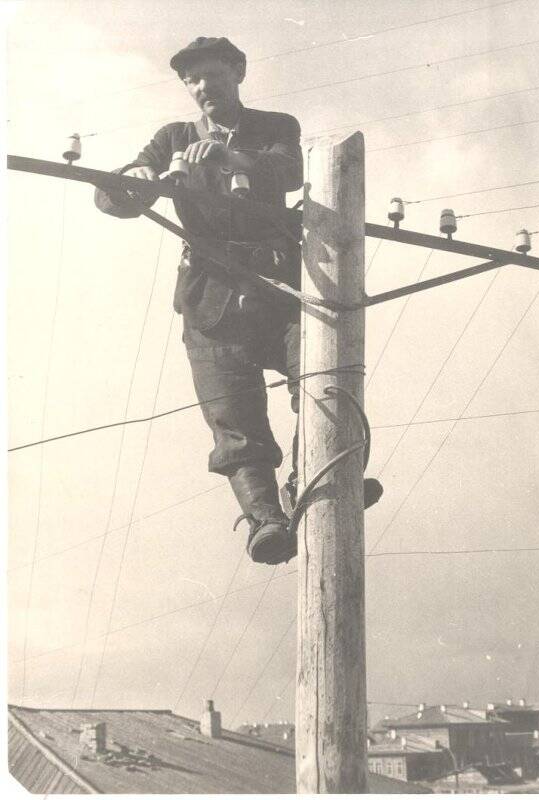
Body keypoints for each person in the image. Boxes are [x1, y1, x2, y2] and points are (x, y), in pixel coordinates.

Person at [95, 36, 381, 566]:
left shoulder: (276, 126)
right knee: (233, 413)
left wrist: (231, 156)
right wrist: (130, 180)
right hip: (211, 295)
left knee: (324, 379)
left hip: (285, 287)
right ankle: (265, 518)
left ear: (239, 73)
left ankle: (322, 478)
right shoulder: (173, 138)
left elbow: (291, 172)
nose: (204, 87)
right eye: (193, 79)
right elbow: (114, 199)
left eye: (214, 75)